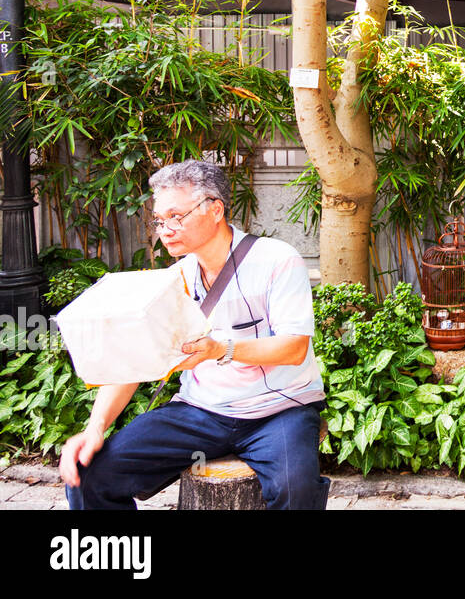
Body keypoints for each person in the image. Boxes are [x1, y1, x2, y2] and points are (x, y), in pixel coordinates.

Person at [60, 160, 330, 510]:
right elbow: (132, 358)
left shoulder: (278, 260)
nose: (165, 229)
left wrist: (221, 349)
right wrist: (95, 428)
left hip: (280, 409)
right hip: (200, 412)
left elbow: (294, 348)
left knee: (296, 490)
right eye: (159, 220)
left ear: (215, 209)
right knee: (90, 475)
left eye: (176, 216)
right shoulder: (177, 278)